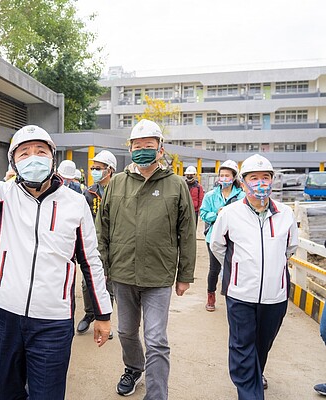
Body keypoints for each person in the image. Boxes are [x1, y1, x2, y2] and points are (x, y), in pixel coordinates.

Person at [0, 118, 112, 400]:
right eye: (24, 153)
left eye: (41, 151)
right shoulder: (4, 196)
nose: (33, 158)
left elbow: (90, 261)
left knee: (47, 394)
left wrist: (103, 314)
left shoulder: (75, 204)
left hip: (53, 320)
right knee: (5, 392)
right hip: (5, 314)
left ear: (52, 158)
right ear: (14, 164)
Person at [96, 118, 196, 399]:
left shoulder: (176, 185)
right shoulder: (116, 184)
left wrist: (184, 275)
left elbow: (187, 232)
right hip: (122, 274)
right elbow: (101, 228)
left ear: (160, 149)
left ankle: (157, 394)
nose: (142, 150)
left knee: (156, 340)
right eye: (137, 146)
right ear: (130, 149)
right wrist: (103, 267)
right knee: (126, 332)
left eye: (148, 146)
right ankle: (133, 367)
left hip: (158, 276)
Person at [210, 154, 298, 399]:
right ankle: (250, 393)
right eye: (254, 178)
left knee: (262, 344)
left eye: (266, 177)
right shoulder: (229, 214)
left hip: (275, 296)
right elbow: (218, 246)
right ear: (244, 182)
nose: (261, 183)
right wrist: (238, 270)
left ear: (272, 180)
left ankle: (254, 373)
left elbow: (290, 248)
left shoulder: (286, 214)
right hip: (240, 294)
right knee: (242, 346)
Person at [77, 150, 117, 336]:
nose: (94, 170)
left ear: (110, 170)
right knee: (87, 282)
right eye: (93, 168)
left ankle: (104, 318)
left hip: (114, 244)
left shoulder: (119, 191)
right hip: (92, 243)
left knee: (108, 283)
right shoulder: (89, 193)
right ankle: (89, 314)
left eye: (98, 168)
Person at [199, 160, 244, 312]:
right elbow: (204, 214)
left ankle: (232, 297)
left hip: (235, 238)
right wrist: (217, 214)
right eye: (222, 175)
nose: (224, 178)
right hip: (213, 237)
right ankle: (210, 295)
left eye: (227, 175)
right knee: (214, 269)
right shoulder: (211, 196)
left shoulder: (242, 196)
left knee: (234, 267)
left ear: (234, 177)